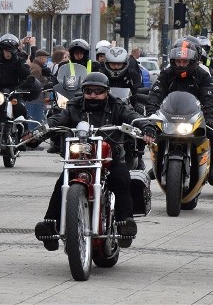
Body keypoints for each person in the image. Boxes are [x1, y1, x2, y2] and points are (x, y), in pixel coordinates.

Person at [33, 72, 152, 250]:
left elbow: (132, 116)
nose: (93, 95)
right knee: (61, 182)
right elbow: (59, 119)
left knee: (121, 179)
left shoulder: (117, 106)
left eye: (98, 91)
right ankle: (50, 224)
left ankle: (124, 222)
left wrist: (147, 127)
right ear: (83, 91)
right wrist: (41, 130)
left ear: (106, 92)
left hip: (110, 157)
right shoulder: (74, 106)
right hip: (81, 157)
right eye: (89, 91)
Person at [147, 40, 213, 185]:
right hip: (169, 116)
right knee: (152, 132)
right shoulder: (166, 74)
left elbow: (208, 96)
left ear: (192, 61)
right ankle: (156, 164)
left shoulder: (202, 75)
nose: (181, 64)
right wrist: (151, 112)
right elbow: (156, 93)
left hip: (194, 117)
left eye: (184, 61)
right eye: (178, 61)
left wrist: (209, 115)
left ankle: (212, 167)